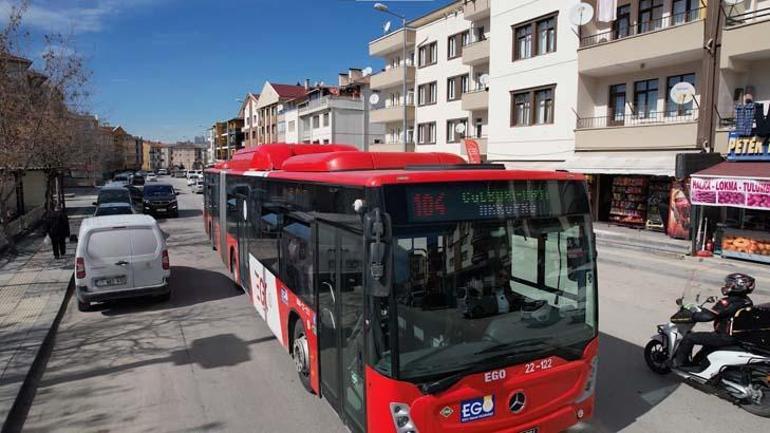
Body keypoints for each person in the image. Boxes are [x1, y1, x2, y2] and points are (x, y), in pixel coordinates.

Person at [673, 273, 755, 371]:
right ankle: (698, 365)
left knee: (689, 337)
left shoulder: (727, 302)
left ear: (737, 286)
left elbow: (708, 316)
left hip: (724, 337)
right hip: (738, 336)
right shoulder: (747, 300)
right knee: (706, 343)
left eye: (729, 284)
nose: (726, 286)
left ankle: (682, 365)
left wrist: (693, 315)